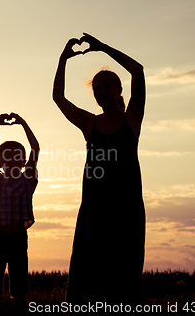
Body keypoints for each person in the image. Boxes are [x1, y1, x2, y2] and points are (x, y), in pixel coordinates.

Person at [52, 33, 146, 308]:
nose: (101, 91)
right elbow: (58, 97)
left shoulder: (132, 119)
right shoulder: (88, 123)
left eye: (106, 86)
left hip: (127, 212)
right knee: (86, 279)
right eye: (97, 89)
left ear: (119, 90)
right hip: (93, 212)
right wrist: (63, 60)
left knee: (125, 278)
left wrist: (102, 48)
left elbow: (138, 70)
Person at [0, 113, 40, 316]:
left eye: (16, 155)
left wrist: (23, 123)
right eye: (7, 155)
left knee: (19, 290)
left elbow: (35, 148)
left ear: (23, 161)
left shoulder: (28, 179)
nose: (12, 159)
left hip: (18, 238)